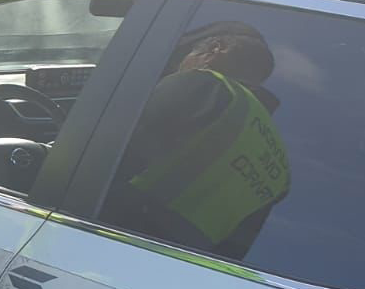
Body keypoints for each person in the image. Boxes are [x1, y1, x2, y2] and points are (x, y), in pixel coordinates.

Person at [104, 21, 290, 259]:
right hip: (183, 266)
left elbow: (104, 153)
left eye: (187, 55)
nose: (180, 66)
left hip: (112, 232)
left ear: (214, 49)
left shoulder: (203, 85)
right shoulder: (280, 167)